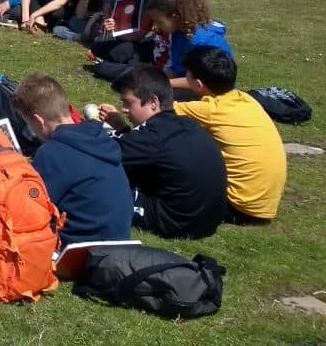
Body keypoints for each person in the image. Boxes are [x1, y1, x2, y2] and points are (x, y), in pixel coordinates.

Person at [94, 66, 227, 238]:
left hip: (178, 223)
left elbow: (99, 154)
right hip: (209, 218)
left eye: (128, 102)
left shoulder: (152, 137)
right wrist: (121, 128)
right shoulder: (187, 125)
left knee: (98, 186)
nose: (124, 109)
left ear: (153, 102)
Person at [12, 75, 133, 245]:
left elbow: (30, 207)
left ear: (39, 121)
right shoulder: (100, 138)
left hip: (80, 251)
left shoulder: (51, 153)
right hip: (120, 241)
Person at [174, 46, 286, 222]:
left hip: (235, 207)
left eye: (186, 75)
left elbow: (153, 111)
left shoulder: (209, 110)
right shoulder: (246, 99)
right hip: (262, 207)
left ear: (198, 84)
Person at [142, 0, 234, 91]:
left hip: (213, 91)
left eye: (159, 21)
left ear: (175, 17)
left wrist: (160, 84)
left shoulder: (201, 41)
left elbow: (200, 82)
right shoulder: (178, 34)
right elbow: (177, 70)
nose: (156, 26)